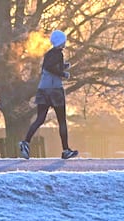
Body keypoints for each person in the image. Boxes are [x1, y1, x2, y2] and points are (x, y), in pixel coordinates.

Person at [19, 30, 78, 159]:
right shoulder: (58, 54)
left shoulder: (49, 54)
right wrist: (64, 74)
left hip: (43, 89)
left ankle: (25, 142)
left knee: (40, 119)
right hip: (55, 90)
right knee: (62, 121)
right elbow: (50, 68)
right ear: (61, 41)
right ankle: (66, 150)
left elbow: (49, 67)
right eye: (64, 40)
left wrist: (64, 67)